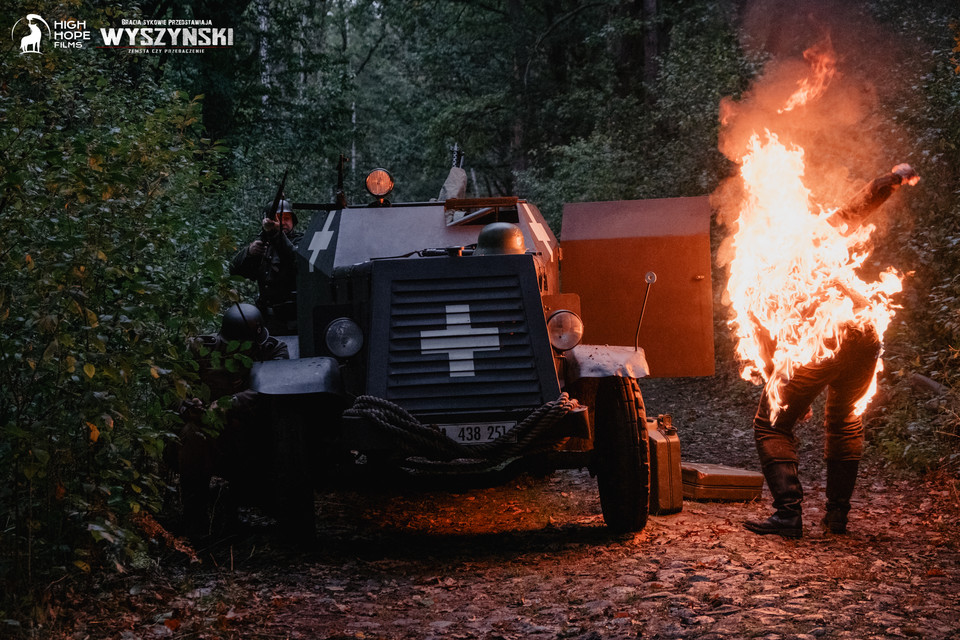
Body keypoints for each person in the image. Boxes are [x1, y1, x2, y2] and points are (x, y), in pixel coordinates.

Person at [745, 163, 919, 539]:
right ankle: (837, 518)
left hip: (821, 338)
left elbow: (765, 335)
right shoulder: (816, 236)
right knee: (844, 421)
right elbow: (858, 207)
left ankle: (788, 514)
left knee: (771, 424)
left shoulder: (756, 267)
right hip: (864, 332)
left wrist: (785, 390)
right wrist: (890, 179)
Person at [176, 303, 289, 537]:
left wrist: (230, 404)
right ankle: (194, 518)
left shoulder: (273, 350)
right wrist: (188, 405)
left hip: (253, 435)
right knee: (193, 435)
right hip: (208, 432)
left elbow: (273, 389)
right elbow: (174, 387)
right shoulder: (200, 349)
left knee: (275, 499)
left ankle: (251, 504)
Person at [229, 198, 302, 335]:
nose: (284, 222)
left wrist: (276, 234)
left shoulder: (301, 242)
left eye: (287, 218)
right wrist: (249, 253)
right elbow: (234, 271)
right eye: (278, 218)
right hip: (267, 322)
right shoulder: (263, 246)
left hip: (296, 322)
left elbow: (297, 261)